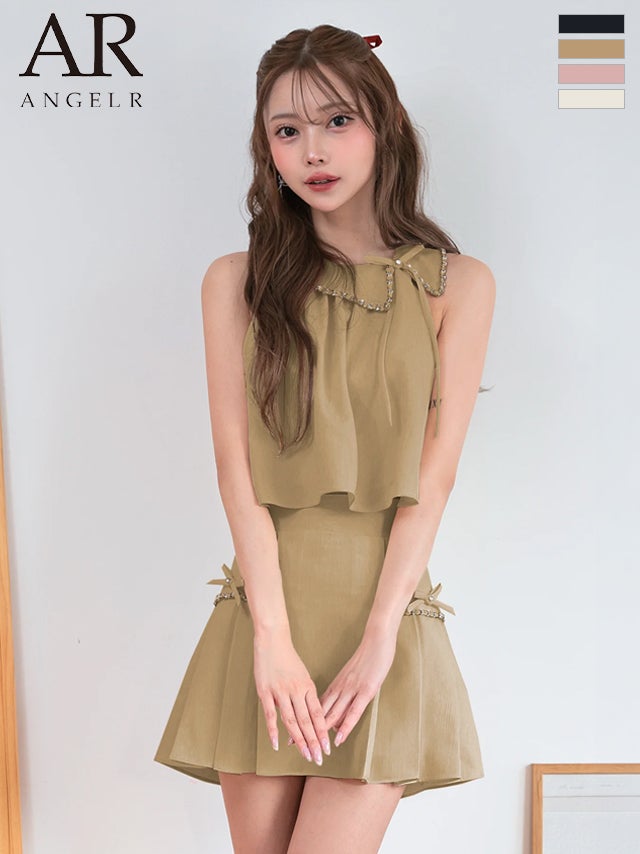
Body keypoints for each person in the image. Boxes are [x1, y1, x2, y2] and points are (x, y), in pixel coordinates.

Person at [154, 23, 495, 853]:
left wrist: (381, 640)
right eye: (288, 129)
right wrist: (271, 638)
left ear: (384, 125)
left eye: (338, 120)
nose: (314, 149)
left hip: (382, 618)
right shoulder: (236, 282)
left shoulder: (458, 284)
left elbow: (434, 480)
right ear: (266, 147)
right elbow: (236, 471)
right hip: (267, 614)